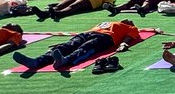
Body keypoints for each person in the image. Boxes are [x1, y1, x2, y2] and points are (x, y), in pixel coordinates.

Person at [12, 20, 142, 70]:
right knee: (65, 46)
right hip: (87, 33)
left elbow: (129, 36)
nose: (128, 19)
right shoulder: (109, 22)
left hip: (106, 38)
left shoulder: (131, 27)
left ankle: (65, 60)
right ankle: (36, 62)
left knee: (85, 48)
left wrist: (124, 44)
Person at [33, 0, 115, 21]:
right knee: (60, 5)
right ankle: (44, 14)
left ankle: (59, 13)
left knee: (72, 7)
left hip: (90, 0)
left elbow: (108, 3)